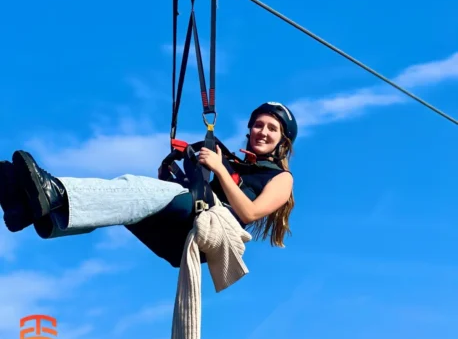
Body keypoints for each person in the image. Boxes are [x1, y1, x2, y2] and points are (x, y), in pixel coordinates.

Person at [0, 102, 297, 249]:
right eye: (259, 125)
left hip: (213, 231)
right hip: (187, 223)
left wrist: (218, 167)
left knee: (136, 188)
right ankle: (37, 212)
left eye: (272, 128)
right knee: (125, 204)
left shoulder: (281, 178)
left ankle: (55, 192)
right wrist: (175, 174)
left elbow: (251, 212)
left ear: (282, 141)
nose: (263, 132)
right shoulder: (233, 161)